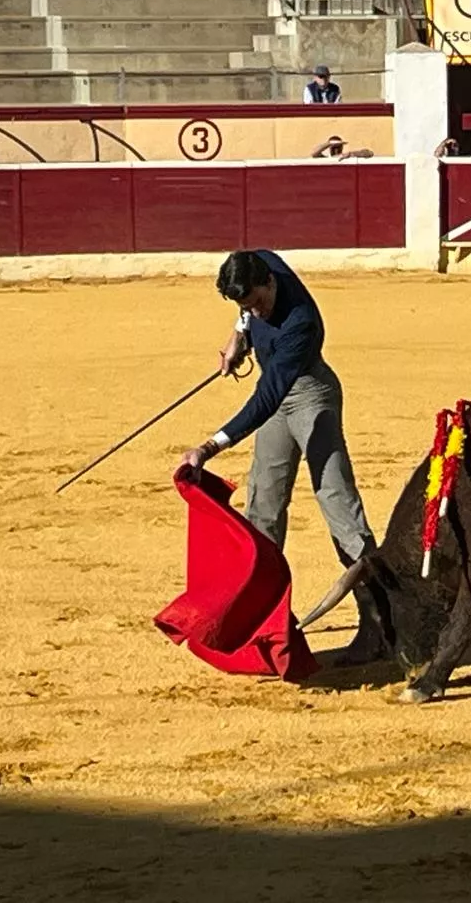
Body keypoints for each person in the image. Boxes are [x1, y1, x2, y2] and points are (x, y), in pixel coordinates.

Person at [176, 250, 393, 666]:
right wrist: (238, 339)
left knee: (337, 502)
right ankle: (262, 621)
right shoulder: (258, 262)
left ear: (271, 284)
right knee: (263, 506)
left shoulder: (301, 322)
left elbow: (268, 395)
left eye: (259, 302)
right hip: (277, 398)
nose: (256, 310)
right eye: (247, 306)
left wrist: (209, 446)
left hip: (311, 395)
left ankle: (380, 622)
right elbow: (246, 316)